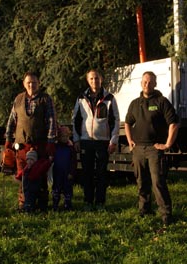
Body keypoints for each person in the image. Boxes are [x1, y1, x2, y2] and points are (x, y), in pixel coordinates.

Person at [124, 71, 179, 226]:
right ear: (141, 83)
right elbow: (127, 122)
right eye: (144, 82)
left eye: (150, 82)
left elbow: (174, 123)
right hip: (138, 149)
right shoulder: (135, 103)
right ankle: (144, 210)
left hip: (155, 149)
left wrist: (167, 144)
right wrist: (130, 141)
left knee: (158, 182)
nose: (146, 84)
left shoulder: (162, 102)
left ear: (155, 84)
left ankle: (166, 215)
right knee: (141, 182)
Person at [4, 71, 57, 212]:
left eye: (34, 82)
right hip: (21, 145)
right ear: (24, 84)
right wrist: (8, 140)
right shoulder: (18, 99)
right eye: (28, 82)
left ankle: (42, 203)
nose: (31, 85)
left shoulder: (45, 100)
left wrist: (51, 142)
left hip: (40, 144)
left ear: (38, 83)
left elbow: (51, 122)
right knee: (22, 175)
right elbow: (12, 120)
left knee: (40, 174)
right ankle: (24, 203)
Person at [72, 69, 120, 210]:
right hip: (86, 141)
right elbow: (75, 119)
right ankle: (88, 201)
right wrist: (76, 140)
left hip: (103, 142)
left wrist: (113, 141)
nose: (94, 81)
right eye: (92, 79)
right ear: (88, 80)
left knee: (101, 174)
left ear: (101, 79)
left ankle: (100, 202)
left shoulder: (110, 98)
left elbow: (115, 120)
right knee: (86, 173)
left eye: (97, 78)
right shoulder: (81, 98)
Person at [52, 125, 77, 211]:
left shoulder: (70, 148)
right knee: (56, 188)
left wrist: (71, 172)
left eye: (67, 136)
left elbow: (74, 161)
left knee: (68, 189)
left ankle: (68, 204)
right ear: (59, 137)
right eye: (62, 136)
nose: (65, 138)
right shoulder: (56, 147)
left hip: (67, 172)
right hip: (57, 172)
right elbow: (52, 159)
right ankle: (55, 204)